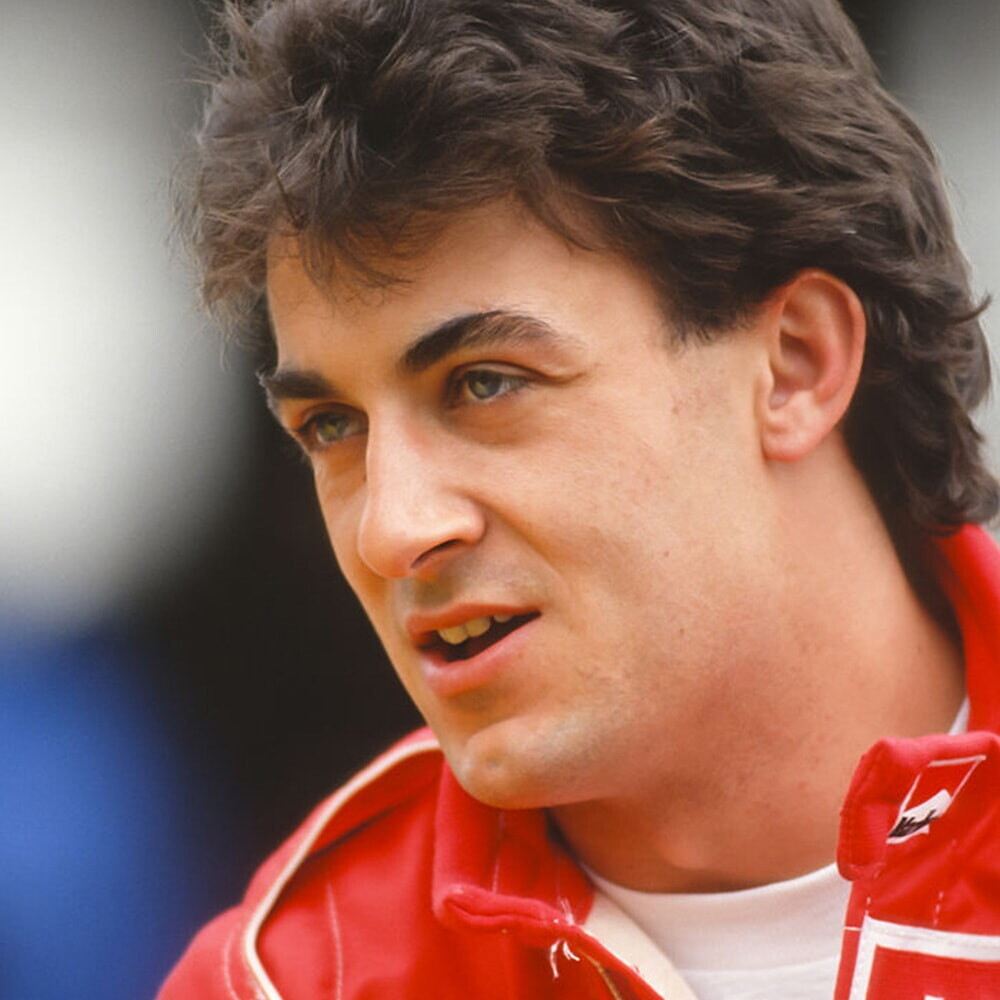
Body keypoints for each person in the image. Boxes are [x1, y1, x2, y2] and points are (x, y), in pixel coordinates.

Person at [160, 0, 1000, 997]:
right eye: (333, 427)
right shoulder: (282, 980)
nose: (390, 529)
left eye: (484, 383)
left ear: (795, 365)